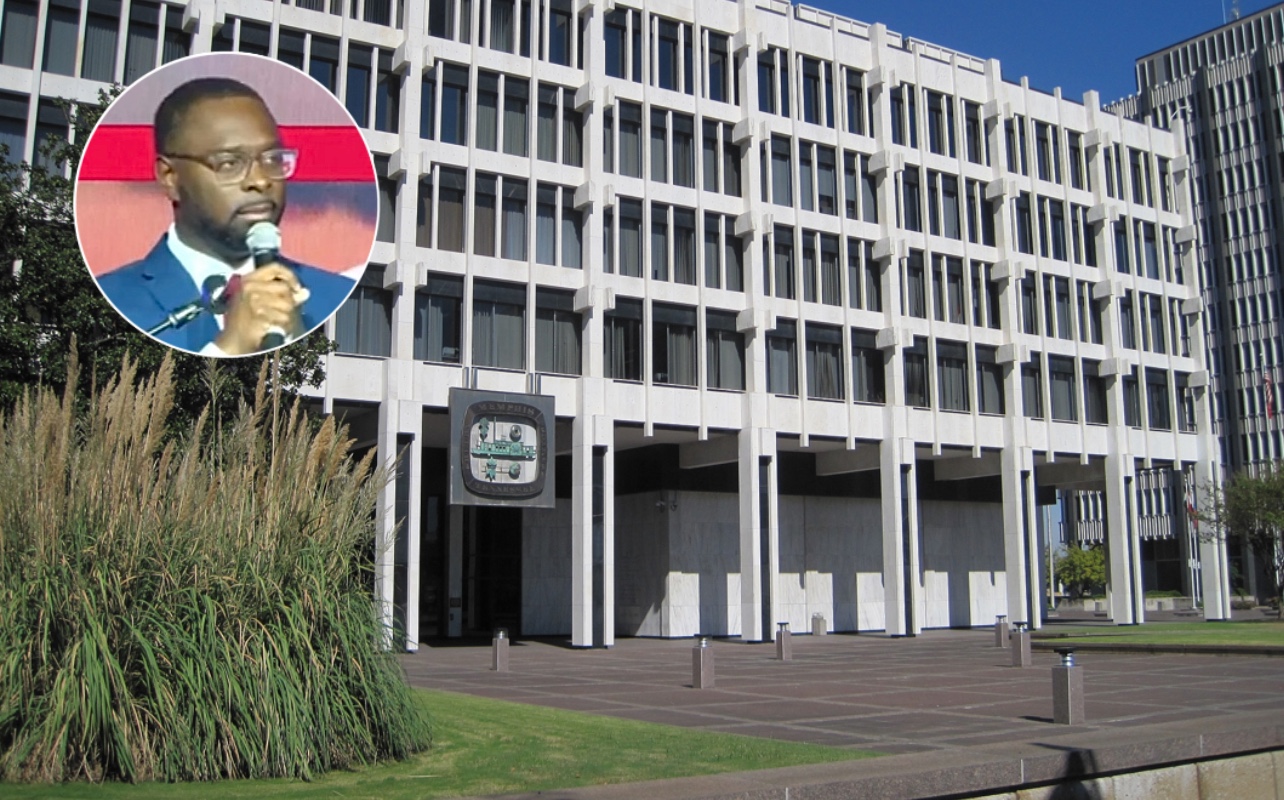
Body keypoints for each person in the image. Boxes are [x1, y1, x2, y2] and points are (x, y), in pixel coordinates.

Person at [94, 77, 357, 356]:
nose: (260, 181)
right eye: (229, 163)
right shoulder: (110, 300)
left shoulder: (336, 295)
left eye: (272, 159)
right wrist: (229, 348)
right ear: (170, 177)